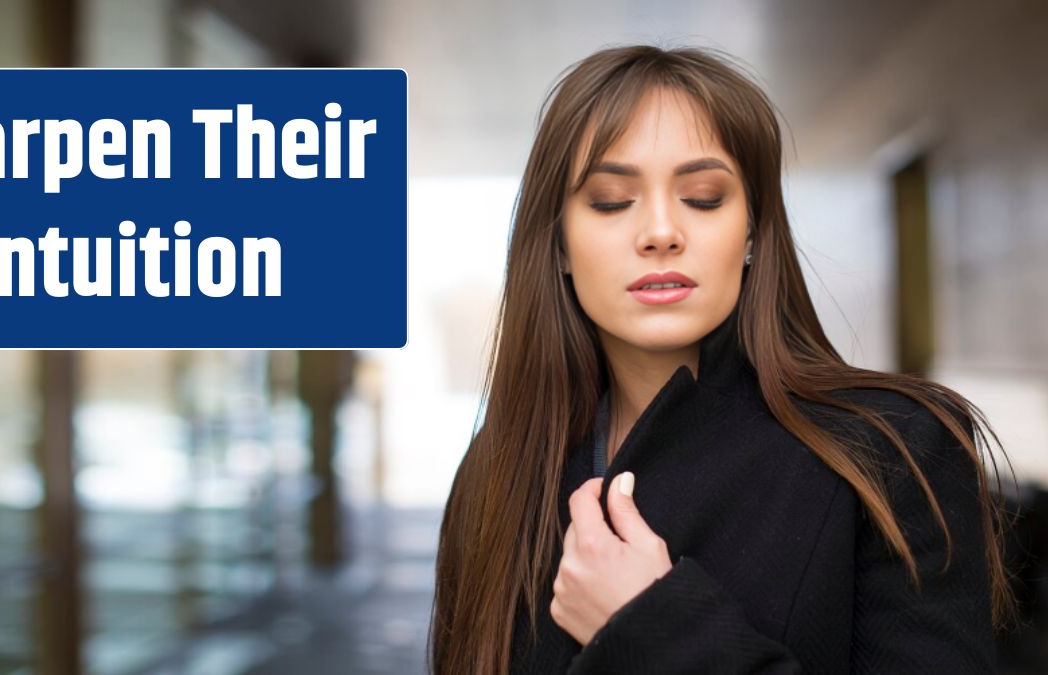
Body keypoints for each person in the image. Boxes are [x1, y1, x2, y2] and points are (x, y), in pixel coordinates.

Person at [429, 44, 1019, 674]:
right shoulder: (498, 469)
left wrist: (654, 630)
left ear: (753, 233)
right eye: (610, 200)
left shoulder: (894, 451)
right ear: (560, 247)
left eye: (704, 197)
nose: (660, 231)